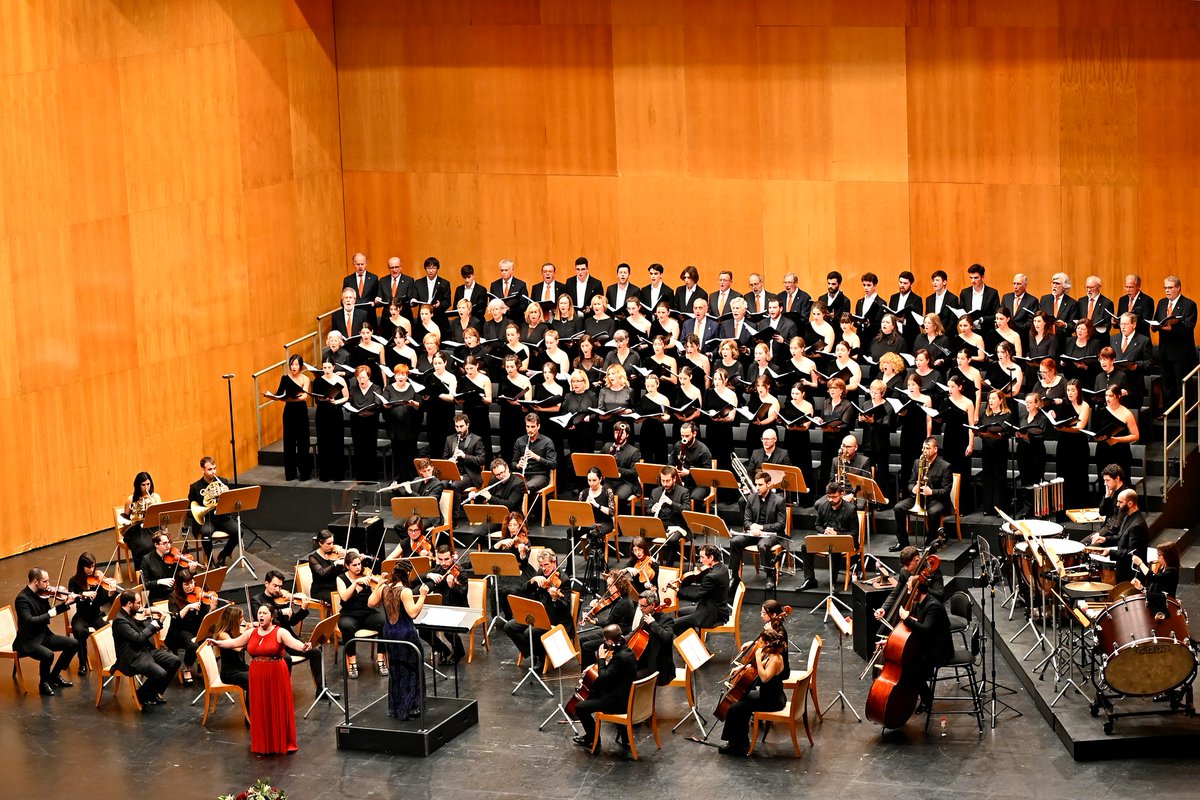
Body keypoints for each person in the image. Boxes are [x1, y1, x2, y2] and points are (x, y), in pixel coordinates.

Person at [209, 604, 311, 754]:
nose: (261, 615)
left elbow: (292, 643)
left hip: (275, 673)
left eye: (264, 613)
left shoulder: (280, 631)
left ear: (271, 616)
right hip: (257, 674)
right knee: (261, 707)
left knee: (275, 706)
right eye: (259, 613)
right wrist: (218, 643)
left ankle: (278, 742)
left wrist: (303, 646)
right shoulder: (251, 632)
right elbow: (234, 643)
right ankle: (263, 744)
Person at [368, 560, 429, 720]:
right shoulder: (405, 591)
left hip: (389, 632)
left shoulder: (383, 588)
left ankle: (396, 708)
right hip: (405, 633)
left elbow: (370, 603)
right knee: (411, 668)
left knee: (396, 669)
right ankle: (411, 708)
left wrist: (379, 584)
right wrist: (422, 596)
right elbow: (413, 613)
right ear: (408, 574)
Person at [717, 628, 789, 757]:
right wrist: (743, 667)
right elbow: (759, 666)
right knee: (739, 700)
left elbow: (764, 677)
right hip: (768, 696)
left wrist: (757, 657)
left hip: (772, 701)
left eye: (761, 643)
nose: (759, 645)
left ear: (767, 643)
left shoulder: (776, 659)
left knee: (735, 707)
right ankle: (740, 741)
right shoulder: (771, 655)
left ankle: (735, 745)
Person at [254, 569, 328, 694]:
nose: (278, 589)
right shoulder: (257, 600)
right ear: (266, 584)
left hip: (288, 639)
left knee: (315, 652)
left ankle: (322, 690)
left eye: (280, 586)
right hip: (270, 641)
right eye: (275, 585)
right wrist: (281, 612)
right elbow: (260, 619)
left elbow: (292, 622)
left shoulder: (283, 598)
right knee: (286, 659)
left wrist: (303, 609)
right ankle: (283, 692)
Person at [571, 624, 639, 749]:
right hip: (626, 695)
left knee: (580, 707)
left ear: (609, 641)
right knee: (593, 691)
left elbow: (604, 677)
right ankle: (623, 731)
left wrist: (601, 659)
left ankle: (592, 738)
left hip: (618, 703)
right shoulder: (627, 651)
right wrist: (595, 668)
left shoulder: (620, 658)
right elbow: (614, 672)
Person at [504, 549, 573, 670]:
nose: (544, 568)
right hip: (538, 615)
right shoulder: (540, 573)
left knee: (529, 632)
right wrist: (533, 580)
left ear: (554, 562)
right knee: (509, 626)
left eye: (546, 565)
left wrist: (555, 598)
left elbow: (565, 606)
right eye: (541, 565)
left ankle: (541, 657)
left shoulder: (564, 580)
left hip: (555, 620)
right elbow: (524, 590)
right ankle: (534, 652)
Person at [15, 568, 79, 695]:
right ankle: (43, 683)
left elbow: (50, 612)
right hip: (29, 640)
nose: (48, 585)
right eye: (45, 581)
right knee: (48, 655)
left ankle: (54, 676)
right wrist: (51, 612)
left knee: (73, 644)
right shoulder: (22, 599)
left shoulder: (42, 594)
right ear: (35, 581)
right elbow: (30, 621)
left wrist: (66, 603)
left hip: (43, 635)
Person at [112, 590, 180, 707]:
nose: (141, 606)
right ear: (129, 604)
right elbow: (138, 638)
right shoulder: (120, 621)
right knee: (161, 674)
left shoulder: (132, 614)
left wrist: (159, 621)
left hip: (144, 650)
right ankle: (141, 695)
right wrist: (152, 625)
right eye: (138, 603)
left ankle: (153, 693)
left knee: (175, 661)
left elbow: (144, 632)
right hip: (132, 657)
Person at [896, 576, 953, 713]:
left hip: (939, 649)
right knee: (908, 664)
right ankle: (918, 694)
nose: (909, 593)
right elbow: (913, 630)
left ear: (917, 591)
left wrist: (906, 619)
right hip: (926, 644)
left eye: (910, 589)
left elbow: (925, 629)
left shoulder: (933, 606)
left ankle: (927, 699)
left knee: (913, 669)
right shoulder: (918, 604)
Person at [728, 471, 788, 590]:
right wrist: (752, 527)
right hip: (754, 533)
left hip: (772, 534)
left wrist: (761, 527)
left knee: (763, 545)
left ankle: (770, 575)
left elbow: (780, 525)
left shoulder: (779, 500)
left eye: (760, 485)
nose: (757, 488)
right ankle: (734, 577)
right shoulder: (751, 498)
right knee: (735, 541)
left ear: (769, 484)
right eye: (756, 484)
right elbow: (746, 520)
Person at [891, 438, 953, 550]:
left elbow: (946, 490)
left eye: (928, 448)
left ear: (935, 449)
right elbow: (910, 483)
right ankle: (902, 542)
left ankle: (930, 543)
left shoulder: (945, 466)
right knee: (898, 508)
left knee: (934, 511)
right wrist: (913, 488)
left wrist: (932, 492)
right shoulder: (917, 462)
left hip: (936, 499)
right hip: (918, 498)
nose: (924, 451)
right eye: (923, 448)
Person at [336, 550, 388, 678]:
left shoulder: (366, 574)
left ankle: (380, 659)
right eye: (354, 565)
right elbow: (344, 597)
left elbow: (378, 594)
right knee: (346, 626)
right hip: (350, 614)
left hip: (367, 613)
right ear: (347, 566)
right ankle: (353, 662)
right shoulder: (341, 578)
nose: (358, 567)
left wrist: (379, 582)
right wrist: (355, 583)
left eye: (359, 564)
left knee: (384, 622)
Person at [798, 482, 858, 591]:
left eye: (834, 497)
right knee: (805, 546)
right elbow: (817, 525)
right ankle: (810, 579)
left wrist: (837, 534)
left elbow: (854, 533)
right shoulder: (823, 506)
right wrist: (824, 531)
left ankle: (833, 582)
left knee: (834, 548)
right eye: (829, 497)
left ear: (842, 494)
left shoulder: (850, 509)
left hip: (843, 540)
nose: (831, 500)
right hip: (826, 536)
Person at [66, 552, 115, 675]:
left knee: (107, 629)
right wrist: (82, 594)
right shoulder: (74, 581)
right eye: (89, 567)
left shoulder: (98, 580)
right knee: (79, 631)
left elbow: (102, 601)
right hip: (81, 616)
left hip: (96, 615)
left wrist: (110, 594)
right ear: (81, 567)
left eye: (93, 566)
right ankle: (82, 663)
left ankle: (109, 659)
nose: (91, 570)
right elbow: (70, 599)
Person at [166, 568, 218, 686]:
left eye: (191, 583)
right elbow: (176, 620)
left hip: (195, 627)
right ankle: (187, 668)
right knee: (192, 645)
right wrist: (188, 607)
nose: (190, 586)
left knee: (210, 638)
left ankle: (203, 666)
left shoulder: (199, 594)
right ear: (180, 585)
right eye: (186, 584)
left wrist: (212, 608)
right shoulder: (173, 598)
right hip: (179, 630)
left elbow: (205, 615)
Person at [1154, 275, 1198, 411]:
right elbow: (1157, 320)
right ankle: (1169, 411)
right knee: (1167, 384)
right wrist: (1155, 326)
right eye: (1165, 288)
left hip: (1181, 353)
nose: (1167, 290)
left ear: (1178, 288)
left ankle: (1185, 412)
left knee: (1182, 384)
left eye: (1170, 287)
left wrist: (1172, 327)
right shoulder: (1162, 303)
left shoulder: (1189, 304)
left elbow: (1189, 327)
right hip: (1165, 351)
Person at [664, 545, 730, 633]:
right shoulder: (722, 567)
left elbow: (695, 596)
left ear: (711, 557)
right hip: (716, 608)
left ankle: (693, 644)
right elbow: (707, 582)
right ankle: (695, 636)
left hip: (711, 615)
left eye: (702, 557)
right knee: (680, 612)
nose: (701, 560)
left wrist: (676, 589)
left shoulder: (712, 576)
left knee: (672, 625)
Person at [579, 571, 638, 667]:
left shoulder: (623, 603)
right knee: (582, 640)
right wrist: (595, 605)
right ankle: (590, 669)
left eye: (611, 585)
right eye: (608, 585)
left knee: (587, 646)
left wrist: (592, 621)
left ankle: (591, 672)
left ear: (619, 585)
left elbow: (608, 622)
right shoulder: (618, 597)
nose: (608, 588)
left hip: (617, 636)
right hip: (611, 631)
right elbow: (605, 605)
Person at [1089, 488, 1148, 583]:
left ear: (1130, 504)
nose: (1117, 505)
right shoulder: (1128, 517)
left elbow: (1132, 553)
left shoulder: (1137, 525)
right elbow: (1120, 537)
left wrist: (1110, 552)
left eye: (1120, 502)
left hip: (1131, 575)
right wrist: (1105, 539)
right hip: (1123, 568)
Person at [188, 456, 237, 567]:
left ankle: (223, 555)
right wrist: (202, 511)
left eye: (214, 468)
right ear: (202, 470)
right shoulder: (195, 487)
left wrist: (226, 497)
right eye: (210, 469)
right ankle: (211, 561)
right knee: (206, 533)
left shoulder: (223, 482)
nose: (213, 472)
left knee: (238, 532)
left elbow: (229, 505)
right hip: (207, 519)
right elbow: (190, 510)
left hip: (222, 517)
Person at [875, 546, 946, 622]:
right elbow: (895, 593)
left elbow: (940, 595)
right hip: (910, 612)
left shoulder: (933, 572)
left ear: (917, 560)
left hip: (928, 613)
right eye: (904, 565)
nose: (905, 568)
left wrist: (920, 585)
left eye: (908, 565)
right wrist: (883, 608)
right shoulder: (904, 572)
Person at [424, 544, 469, 663]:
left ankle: (459, 652)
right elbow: (415, 580)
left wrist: (452, 586)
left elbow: (462, 594)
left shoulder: (461, 573)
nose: (443, 563)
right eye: (440, 559)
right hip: (441, 609)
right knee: (422, 630)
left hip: (458, 609)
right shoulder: (438, 570)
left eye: (446, 559)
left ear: (453, 557)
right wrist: (429, 574)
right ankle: (442, 649)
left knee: (448, 631)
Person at [312, 360, 349, 481]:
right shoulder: (317, 381)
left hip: (335, 412)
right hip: (322, 413)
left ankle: (337, 474)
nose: (327, 370)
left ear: (333, 367)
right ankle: (325, 474)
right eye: (324, 367)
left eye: (329, 367)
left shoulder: (340, 380)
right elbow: (316, 399)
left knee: (336, 442)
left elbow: (346, 396)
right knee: (324, 443)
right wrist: (322, 399)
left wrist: (336, 401)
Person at [646, 465, 690, 567]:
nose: (665, 484)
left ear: (674, 479)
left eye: (668, 481)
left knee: (672, 540)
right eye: (663, 481)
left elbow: (687, 510)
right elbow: (648, 510)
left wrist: (671, 503)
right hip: (661, 524)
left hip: (678, 525)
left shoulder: (684, 491)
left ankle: (668, 567)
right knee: (641, 536)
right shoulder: (655, 491)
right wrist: (652, 509)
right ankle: (645, 565)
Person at [120, 471, 162, 568]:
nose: (146, 487)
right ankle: (142, 571)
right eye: (143, 485)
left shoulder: (156, 497)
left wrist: (153, 505)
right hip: (137, 529)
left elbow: (160, 515)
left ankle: (158, 568)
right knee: (144, 545)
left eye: (148, 484)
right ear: (138, 485)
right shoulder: (131, 499)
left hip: (153, 527)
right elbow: (125, 518)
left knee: (161, 541)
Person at [210, 605, 250, 702]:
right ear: (234, 619)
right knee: (253, 680)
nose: (243, 620)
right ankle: (250, 714)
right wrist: (246, 634)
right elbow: (237, 647)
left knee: (262, 672)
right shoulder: (223, 634)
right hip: (230, 673)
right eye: (241, 617)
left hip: (241, 667)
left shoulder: (236, 630)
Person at [308, 529, 347, 604]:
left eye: (332, 543)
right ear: (320, 543)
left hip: (336, 586)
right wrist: (335, 563)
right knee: (342, 598)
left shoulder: (335, 554)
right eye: (328, 544)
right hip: (321, 590)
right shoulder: (313, 558)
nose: (332, 546)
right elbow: (322, 573)